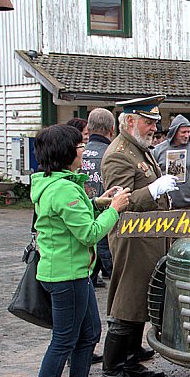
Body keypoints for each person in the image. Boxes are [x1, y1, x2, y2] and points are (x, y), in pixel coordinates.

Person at [29, 124, 130, 377]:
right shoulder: (63, 189)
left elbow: (72, 216)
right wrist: (115, 210)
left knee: (89, 333)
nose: (84, 151)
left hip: (73, 272)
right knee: (63, 341)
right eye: (79, 146)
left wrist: (100, 202)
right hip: (67, 276)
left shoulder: (56, 182)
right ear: (66, 153)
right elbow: (88, 233)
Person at [101, 95, 176, 377]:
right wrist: (154, 190)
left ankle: (131, 362)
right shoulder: (118, 154)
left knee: (141, 301)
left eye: (155, 122)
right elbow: (120, 203)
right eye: (148, 122)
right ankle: (112, 371)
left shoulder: (138, 148)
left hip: (147, 239)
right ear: (130, 121)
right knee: (126, 303)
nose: (154, 128)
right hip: (131, 241)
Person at [82, 108, 115, 289]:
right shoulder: (113, 153)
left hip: (80, 217)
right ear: (112, 130)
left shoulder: (78, 153)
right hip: (105, 220)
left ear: (88, 128)